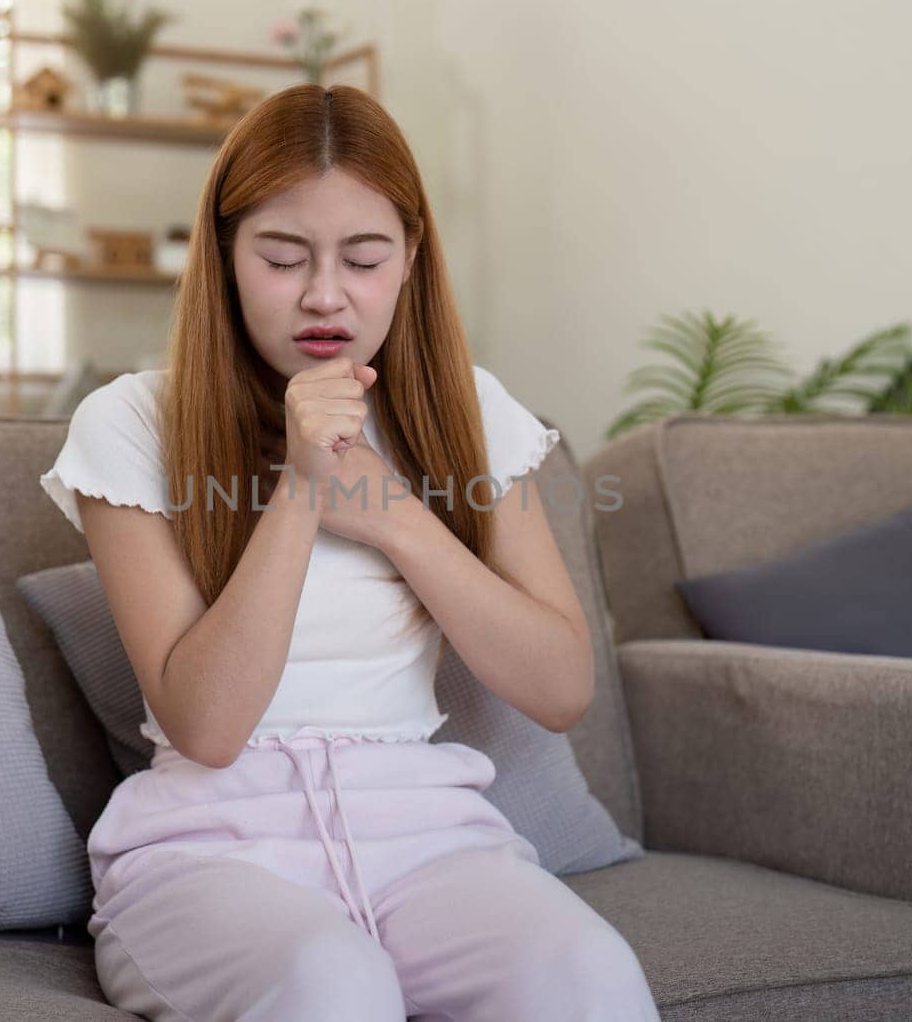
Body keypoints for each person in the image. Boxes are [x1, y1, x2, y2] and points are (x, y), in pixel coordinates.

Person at [39, 82, 659, 1022]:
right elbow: (207, 726)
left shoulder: (472, 412)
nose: (325, 294)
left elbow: (560, 684)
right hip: (213, 848)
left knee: (589, 974)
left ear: (410, 257)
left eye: (364, 258)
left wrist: (392, 514)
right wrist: (299, 487)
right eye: (283, 257)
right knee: (333, 982)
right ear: (225, 256)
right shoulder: (129, 422)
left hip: (428, 838)